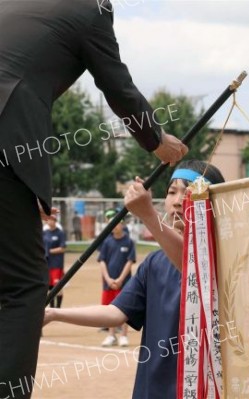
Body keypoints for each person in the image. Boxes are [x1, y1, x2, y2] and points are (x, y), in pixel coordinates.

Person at [0, 1, 188, 395]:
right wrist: (156, 141)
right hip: (8, 136)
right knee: (22, 289)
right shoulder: (90, 9)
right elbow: (118, 86)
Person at [44, 160, 224, 398]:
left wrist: (147, 214)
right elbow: (115, 313)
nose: (177, 200)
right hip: (151, 389)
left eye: (189, 191)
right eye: (171, 192)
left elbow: (193, 263)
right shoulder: (153, 263)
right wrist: (54, 314)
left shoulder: (224, 255)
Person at [98, 209, 136, 347]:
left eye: (117, 223)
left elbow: (130, 261)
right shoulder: (107, 242)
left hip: (124, 282)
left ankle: (123, 335)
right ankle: (111, 335)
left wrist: (120, 279)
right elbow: (102, 261)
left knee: (124, 308)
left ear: (123, 224)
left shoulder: (129, 242)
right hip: (108, 282)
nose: (115, 226)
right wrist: (108, 279)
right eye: (112, 224)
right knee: (110, 308)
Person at [43, 214, 67, 309]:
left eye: (52, 220)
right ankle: (52, 307)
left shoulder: (60, 233)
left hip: (57, 264)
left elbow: (63, 248)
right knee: (50, 287)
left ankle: (58, 307)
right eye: (49, 219)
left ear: (55, 221)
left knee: (57, 287)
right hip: (47, 264)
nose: (50, 221)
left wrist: (49, 251)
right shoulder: (44, 233)